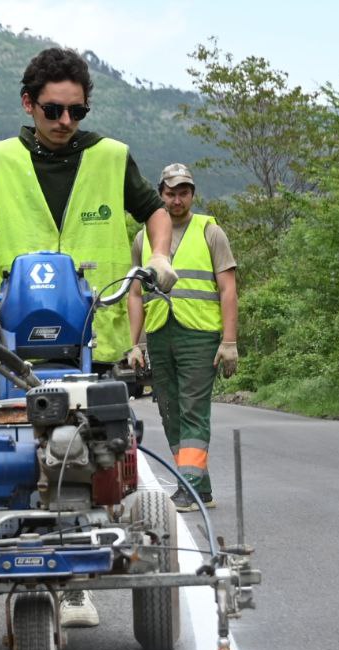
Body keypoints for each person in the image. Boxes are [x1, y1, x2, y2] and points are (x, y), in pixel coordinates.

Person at [0, 47, 176, 629]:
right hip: (15, 343)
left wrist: (158, 257)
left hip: (96, 332)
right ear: (29, 104)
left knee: (99, 450)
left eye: (76, 112)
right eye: (53, 110)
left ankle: (78, 570)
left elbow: (155, 211)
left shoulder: (111, 157)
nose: (65, 123)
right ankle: (28, 553)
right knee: (14, 455)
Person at [126, 163, 238, 512]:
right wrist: (136, 344)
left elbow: (228, 289)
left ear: (193, 194)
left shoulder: (210, 232)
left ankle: (188, 488)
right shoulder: (143, 238)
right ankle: (199, 489)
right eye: (171, 193)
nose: (177, 200)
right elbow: (134, 295)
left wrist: (229, 342)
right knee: (170, 411)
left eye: (183, 192)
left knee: (193, 409)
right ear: (160, 194)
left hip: (200, 335)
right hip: (160, 333)